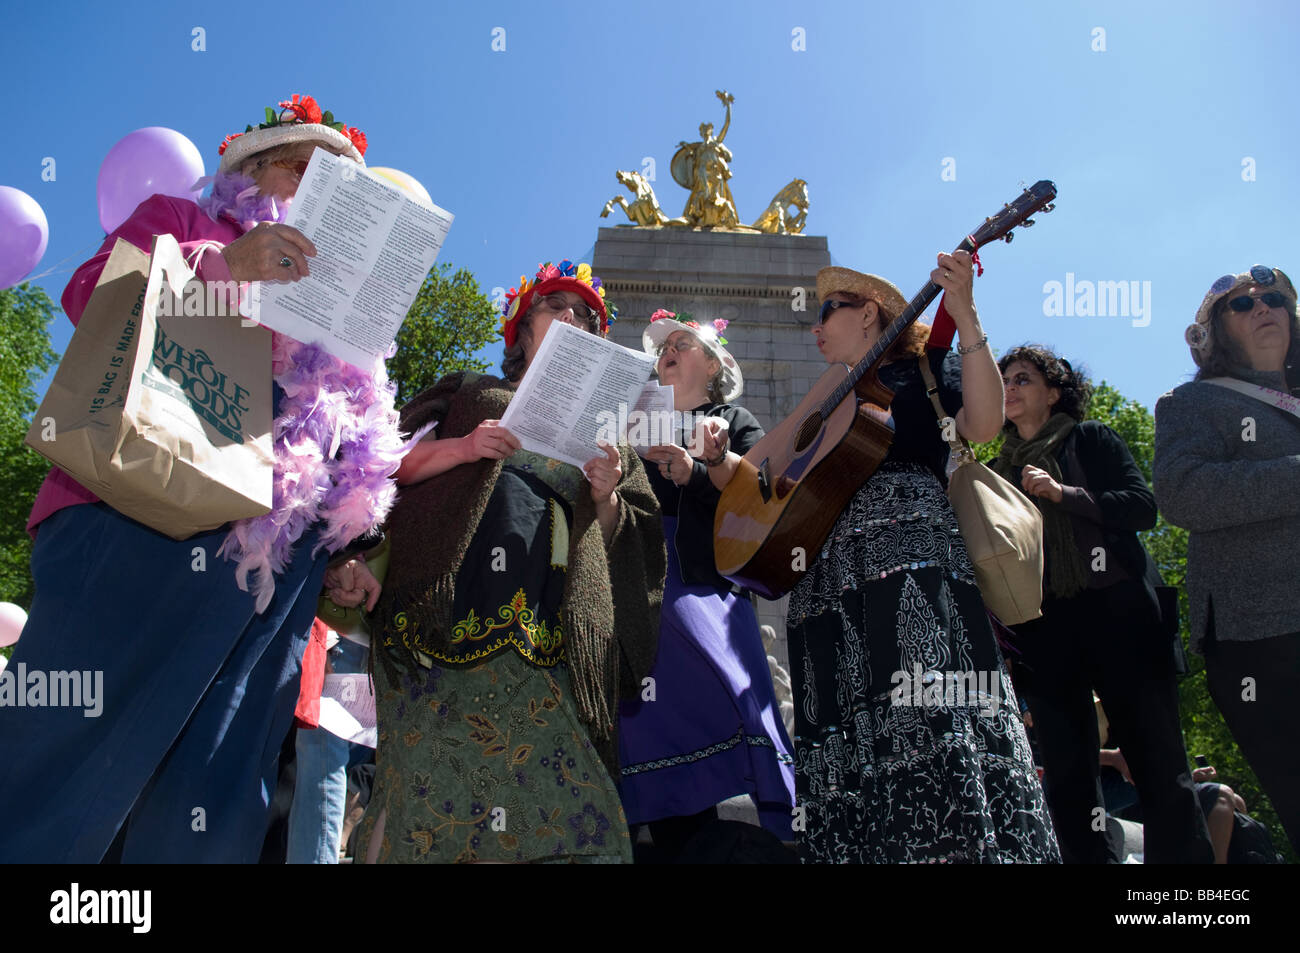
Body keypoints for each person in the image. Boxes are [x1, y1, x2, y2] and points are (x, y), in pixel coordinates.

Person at [0, 95, 405, 862]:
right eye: (306, 166)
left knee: (215, 784)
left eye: (344, 185)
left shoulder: (348, 323)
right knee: (60, 753)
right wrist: (223, 268)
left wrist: (351, 540)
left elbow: (347, 443)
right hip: (131, 520)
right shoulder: (187, 222)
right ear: (254, 170)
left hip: (271, 575)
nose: (325, 188)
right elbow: (91, 297)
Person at [357, 260, 665, 864]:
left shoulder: (614, 442)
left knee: (575, 817)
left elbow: (636, 540)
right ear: (521, 330)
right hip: (441, 618)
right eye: (556, 306)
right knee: (420, 790)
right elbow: (378, 463)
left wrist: (605, 499)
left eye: (587, 316)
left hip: (552, 643)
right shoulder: (470, 391)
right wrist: (465, 447)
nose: (573, 317)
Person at [786, 255, 1059, 863]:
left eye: (829, 310)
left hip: (909, 554)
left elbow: (984, 424)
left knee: (927, 704)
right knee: (842, 727)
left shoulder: (925, 369)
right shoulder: (825, 391)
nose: (816, 325)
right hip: (825, 578)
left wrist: (964, 314)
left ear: (868, 314)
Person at [991, 345, 1212, 864]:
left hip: (1118, 613)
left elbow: (1141, 508)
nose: (1011, 388)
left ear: (1054, 392)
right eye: (1003, 381)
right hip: (1044, 631)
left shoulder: (1089, 439)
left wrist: (1062, 493)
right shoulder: (997, 474)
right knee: (1068, 778)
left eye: (1023, 378)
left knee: (1157, 764)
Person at [616, 309, 795, 854]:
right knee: (632, 729)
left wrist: (702, 468)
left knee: (696, 728)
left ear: (713, 363)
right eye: (663, 345)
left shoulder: (734, 419)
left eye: (682, 343)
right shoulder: (628, 416)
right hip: (628, 575)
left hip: (699, 587)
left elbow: (763, 497)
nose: (667, 349)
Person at [1153, 264, 1300, 854]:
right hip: (1262, 632)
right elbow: (1184, 493)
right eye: (1242, 304)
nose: (1262, 307)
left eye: (1272, 298)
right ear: (1215, 330)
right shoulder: (1193, 402)